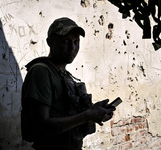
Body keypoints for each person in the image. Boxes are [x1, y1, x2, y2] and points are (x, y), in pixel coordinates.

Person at [21, 17, 116, 150]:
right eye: (66, 41)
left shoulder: (65, 76)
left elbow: (69, 116)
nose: (72, 47)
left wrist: (95, 112)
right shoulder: (41, 71)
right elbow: (42, 126)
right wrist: (87, 115)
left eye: (76, 42)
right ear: (50, 43)